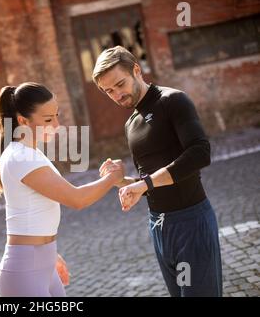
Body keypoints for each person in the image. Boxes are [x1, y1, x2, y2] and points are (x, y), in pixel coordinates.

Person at [94, 46, 222, 297]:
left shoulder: (172, 100)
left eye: (120, 84)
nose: (117, 95)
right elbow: (149, 182)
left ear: (136, 70)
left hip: (191, 223)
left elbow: (200, 153)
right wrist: (123, 182)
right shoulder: (131, 123)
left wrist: (144, 184)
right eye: (108, 91)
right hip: (160, 227)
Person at [0, 82, 124, 297]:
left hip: (42, 264)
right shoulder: (20, 156)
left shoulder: (29, 152)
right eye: (48, 119)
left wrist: (49, 254)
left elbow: (34, 214)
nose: (57, 125)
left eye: (57, 116)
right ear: (23, 121)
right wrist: (111, 178)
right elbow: (76, 199)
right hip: (24, 274)